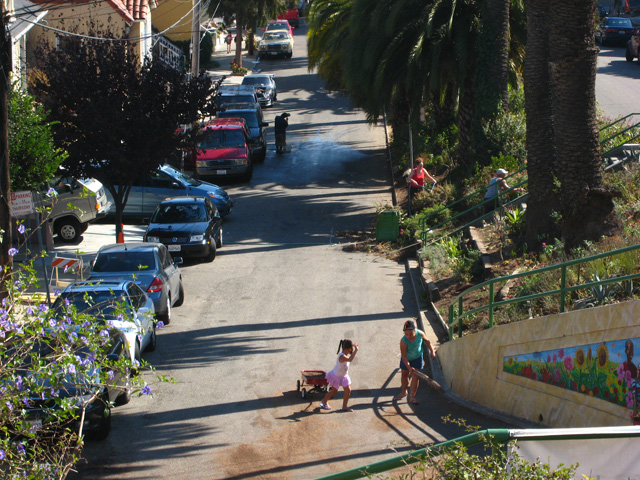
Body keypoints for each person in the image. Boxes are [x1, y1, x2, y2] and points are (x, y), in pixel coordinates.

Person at [394, 319, 435, 405]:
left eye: (411, 334)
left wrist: (432, 351)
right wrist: (409, 367)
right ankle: (404, 392)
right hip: (407, 359)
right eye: (406, 334)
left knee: (415, 376)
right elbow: (404, 356)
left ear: (414, 330)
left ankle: (412, 396)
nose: (408, 336)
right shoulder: (403, 341)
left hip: (417, 358)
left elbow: (427, 342)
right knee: (404, 375)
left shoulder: (420, 334)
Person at [320, 339, 359, 412]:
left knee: (348, 390)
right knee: (334, 391)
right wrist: (356, 350)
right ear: (349, 348)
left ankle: (344, 407)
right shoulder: (342, 357)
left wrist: (353, 351)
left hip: (343, 376)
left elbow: (350, 357)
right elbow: (350, 359)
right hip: (336, 376)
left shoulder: (345, 355)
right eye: (351, 349)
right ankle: (324, 401)